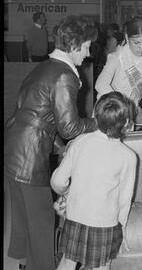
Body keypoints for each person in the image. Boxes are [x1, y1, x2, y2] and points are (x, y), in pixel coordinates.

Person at [4, 15, 98, 270]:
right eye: (87, 47)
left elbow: (39, 114)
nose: (87, 54)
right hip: (29, 156)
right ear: (75, 45)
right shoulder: (64, 75)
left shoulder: (44, 67)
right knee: (42, 221)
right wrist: (98, 122)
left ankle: (24, 263)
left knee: (23, 218)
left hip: (12, 147)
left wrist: (60, 148)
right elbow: (70, 127)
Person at [51, 92, 138, 270]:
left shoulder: (80, 142)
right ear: (126, 124)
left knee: (68, 261)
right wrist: (120, 227)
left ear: (95, 116)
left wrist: (67, 193)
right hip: (105, 224)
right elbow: (124, 200)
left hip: (75, 217)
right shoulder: (128, 156)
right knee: (101, 266)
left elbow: (58, 180)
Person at [95, 16, 142, 107]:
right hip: (109, 110)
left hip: (131, 111)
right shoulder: (117, 57)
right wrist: (122, 104)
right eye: (136, 43)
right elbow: (100, 84)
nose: (141, 48)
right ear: (127, 38)